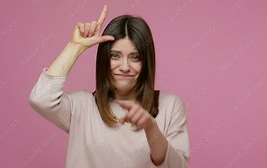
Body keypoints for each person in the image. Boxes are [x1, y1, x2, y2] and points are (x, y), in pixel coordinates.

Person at [29, 5, 189, 168]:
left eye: (135, 57)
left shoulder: (170, 106)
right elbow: (41, 99)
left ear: (146, 62)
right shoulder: (82, 106)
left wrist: (151, 128)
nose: (125, 66)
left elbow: (178, 166)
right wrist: (75, 46)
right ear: (104, 59)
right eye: (115, 56)